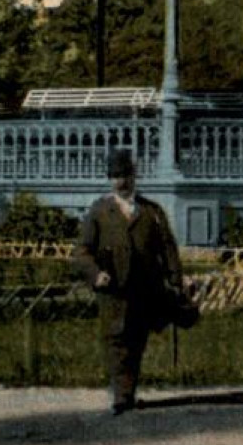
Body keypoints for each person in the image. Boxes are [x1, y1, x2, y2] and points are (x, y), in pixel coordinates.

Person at [74, 148, 183, 415]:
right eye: (115, 176)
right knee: (115, 340)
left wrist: (176, 280)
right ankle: (121, 397)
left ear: (135, 176)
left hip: (144, 290)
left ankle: (128, 392)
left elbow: (167, 249)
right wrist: (95, 273)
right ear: (109, 179)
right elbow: (81, 251)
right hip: (112, 290)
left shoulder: (151, 212)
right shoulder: (100, 211)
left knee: (136, 341)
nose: (121, 182)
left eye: (125, 175)